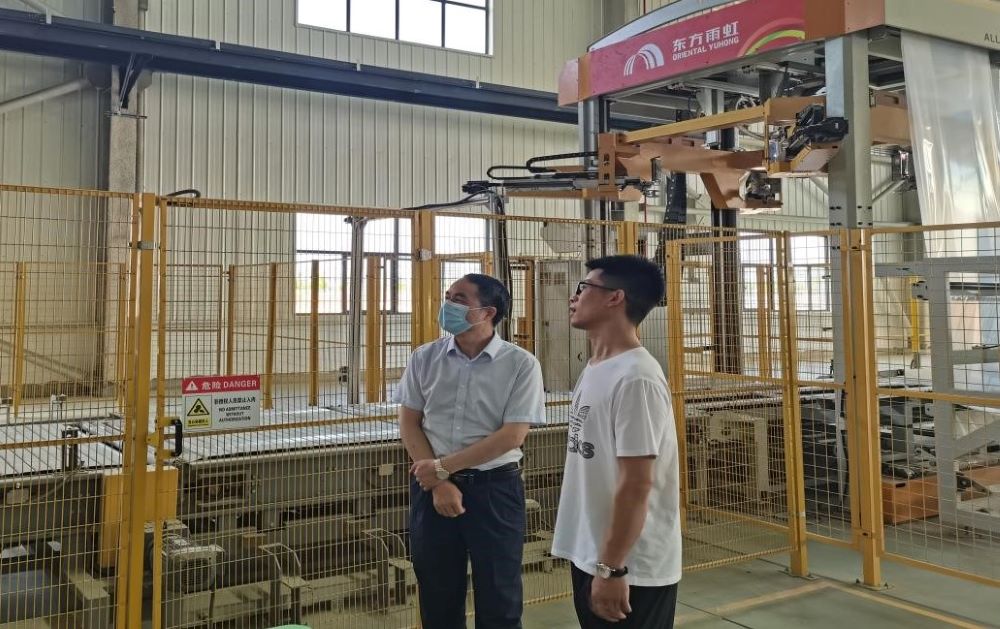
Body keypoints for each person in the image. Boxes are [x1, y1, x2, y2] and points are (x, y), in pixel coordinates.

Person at [395, 273, 546, 629]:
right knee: (437, 594)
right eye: (448, 296)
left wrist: (442, 469)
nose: (447, 305)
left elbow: (512, 435)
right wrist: (438, 482)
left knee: (499, 595)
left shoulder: (521, 364)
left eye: (459, 299)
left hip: (495, 489)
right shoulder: (425, 358)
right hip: (431, 490)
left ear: (487, 312)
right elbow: (410, 423)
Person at [551, 255, 680, 628]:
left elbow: (637, 484)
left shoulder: (636, 378)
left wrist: (612, 566)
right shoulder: (596, 367)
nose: (574, 297)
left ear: (614, 297)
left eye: (584, 287)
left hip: (629, 567)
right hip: (592, 552)